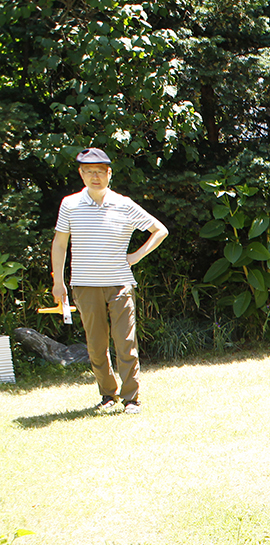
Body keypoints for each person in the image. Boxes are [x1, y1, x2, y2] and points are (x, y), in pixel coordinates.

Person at [50, 147, 168, 413]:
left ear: (109, 174)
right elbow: (59, 244)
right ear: (81, 174)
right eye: (89, 172)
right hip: (84, 285)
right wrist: (59, 281)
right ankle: (107, 394)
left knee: (125, 342)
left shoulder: (124, 204)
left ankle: (131, 399)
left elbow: (160, 230)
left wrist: (136, 256)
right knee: (96, 345)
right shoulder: (70, 204)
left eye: (100, 172)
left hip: (119, 284)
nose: (95, 177)